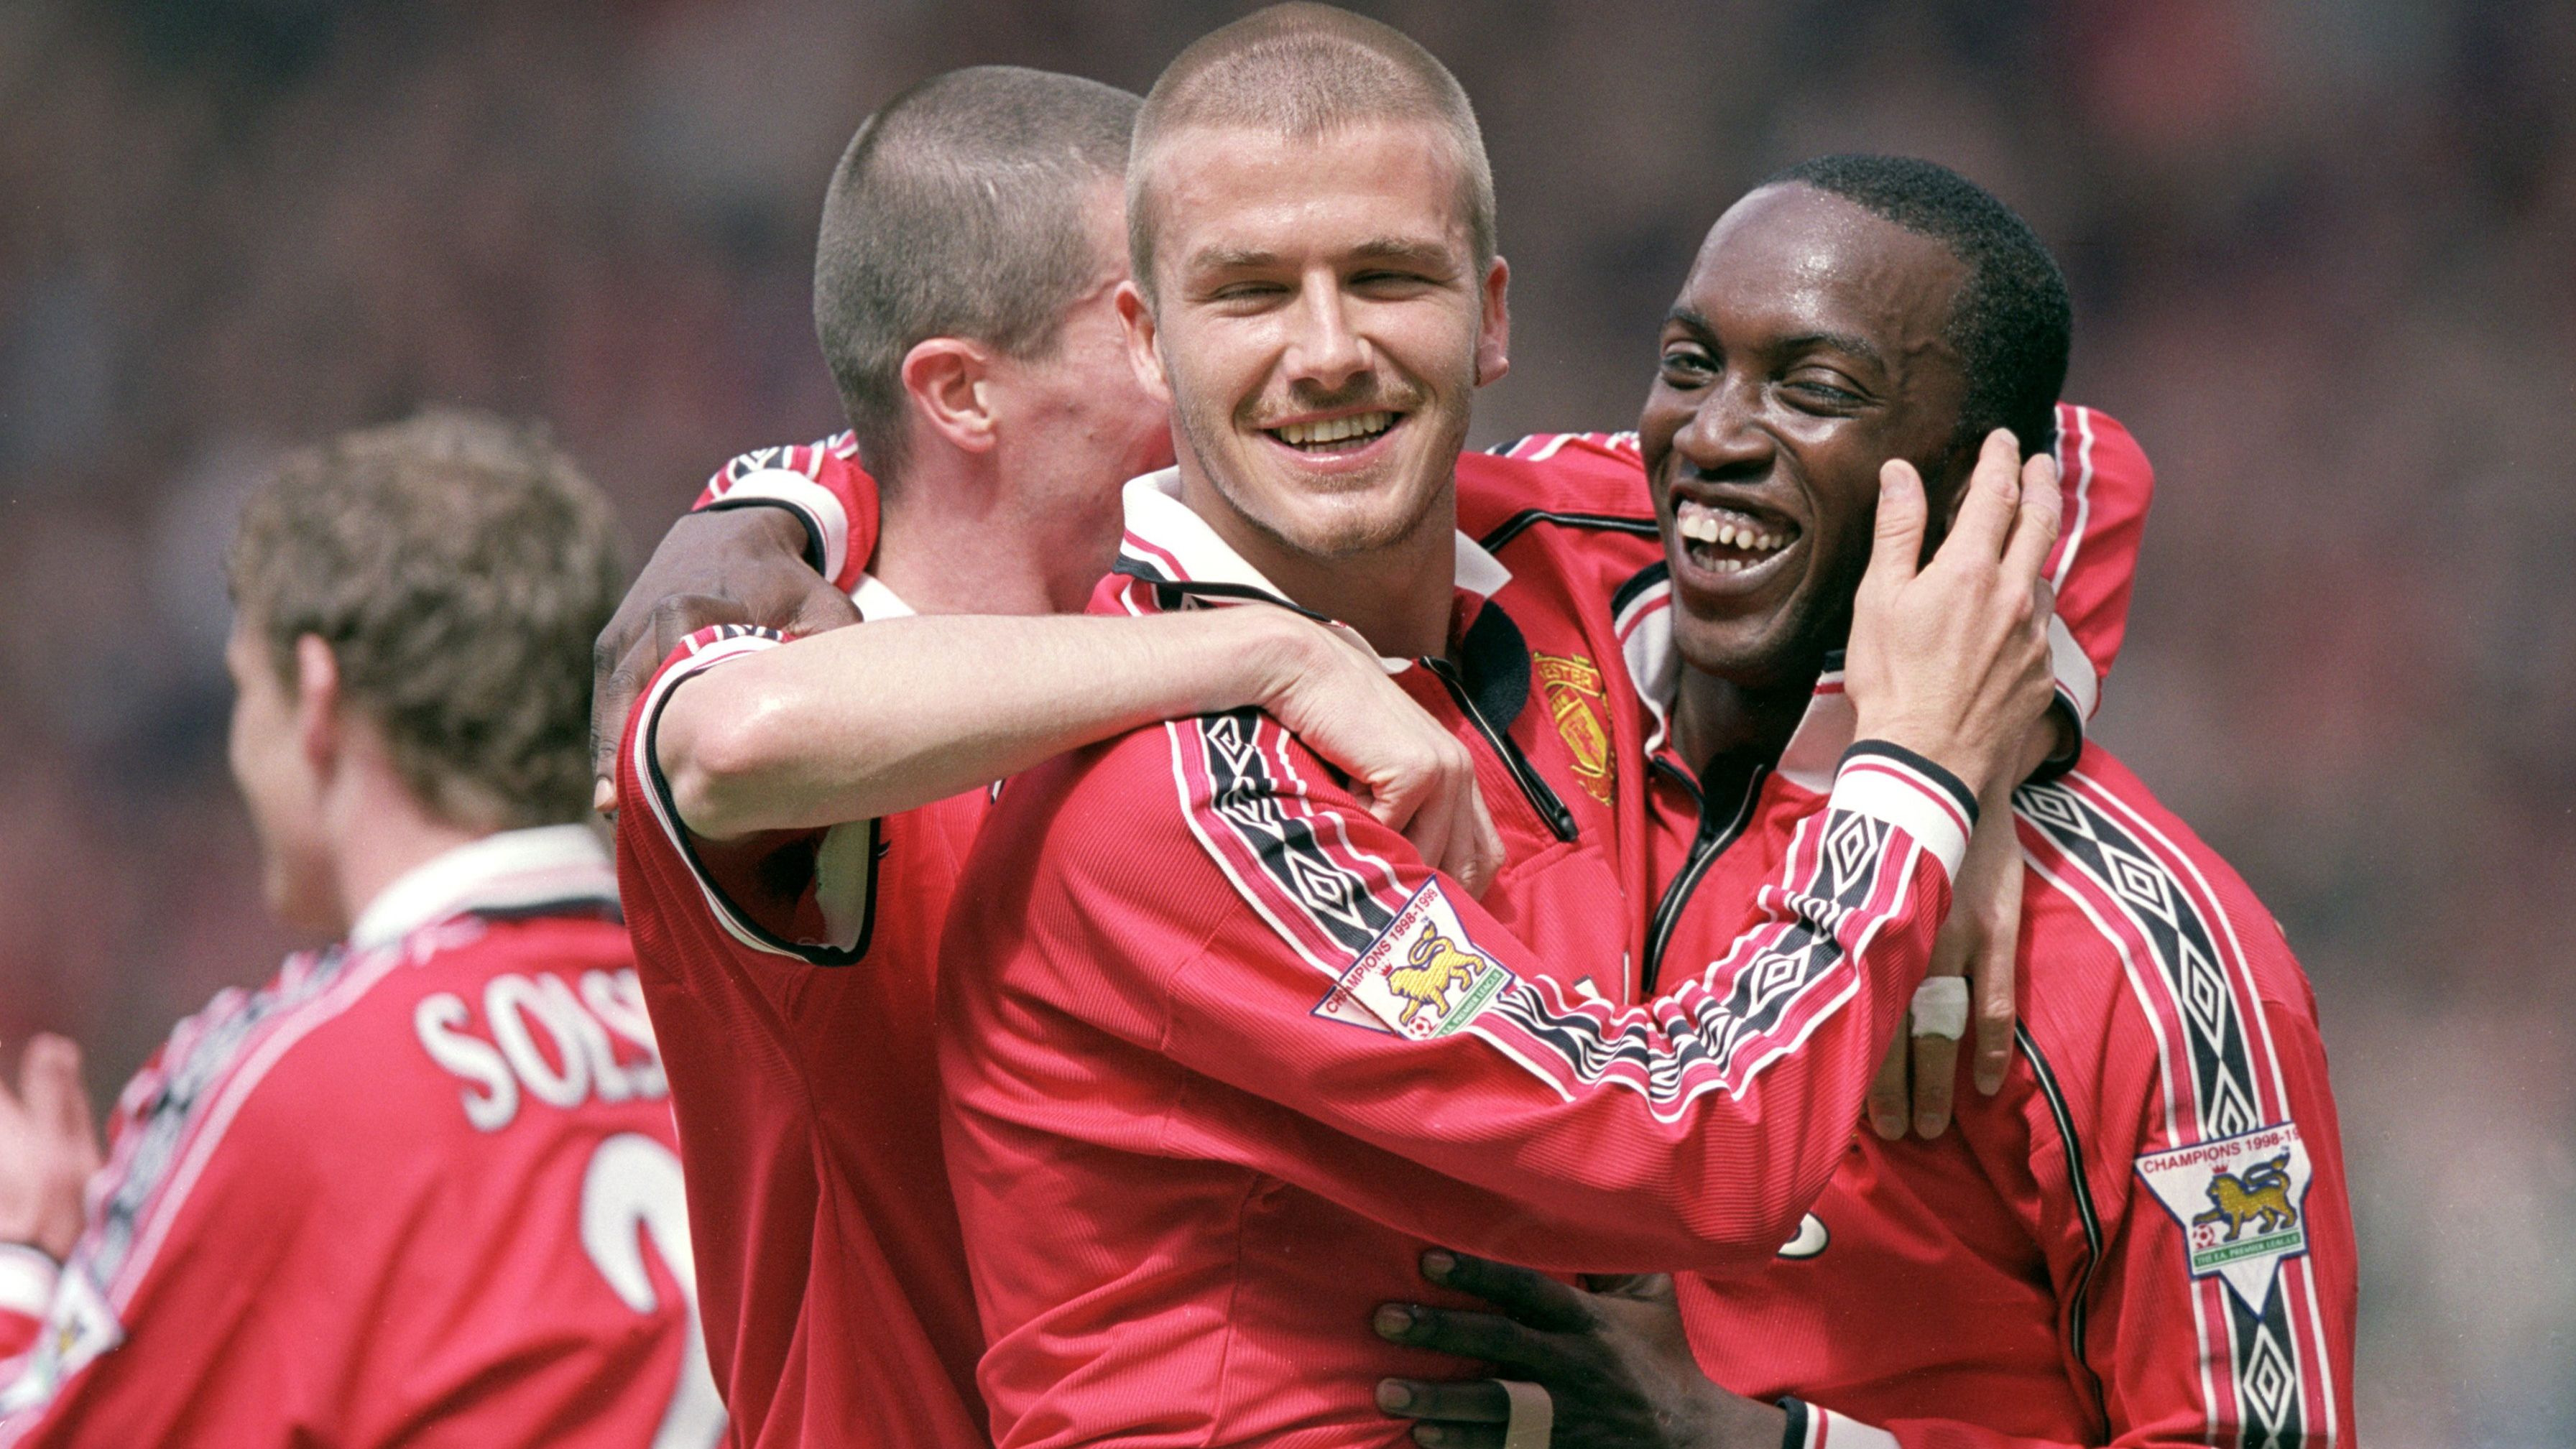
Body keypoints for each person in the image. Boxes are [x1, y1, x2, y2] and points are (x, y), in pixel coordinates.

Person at [928, 11, 2065, 1448]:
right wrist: (1914, 784)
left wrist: (2007, 734)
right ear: (1149, 343)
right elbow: (1688, 1145)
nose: (1326, 353)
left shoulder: (1559, 540)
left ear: (1490, 312)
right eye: (1249, 293)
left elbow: (2026, 449)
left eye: (1387, 278)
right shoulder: (1184, 796)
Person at [1367, 158, 2357, 1449]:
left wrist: (1766, 1443)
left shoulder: (2149, 962)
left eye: (1815, 389)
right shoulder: (1527, 598)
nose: (1713, 434)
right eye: (1686, 364)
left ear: (1980, 491)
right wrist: (1266, 656)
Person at [604, 65, 1503, 1449]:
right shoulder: (814, 709)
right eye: (1164, 309)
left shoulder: (1212, 641)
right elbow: (729, 746)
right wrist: (1270, 656)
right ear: (962, 392)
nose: (1239, 354)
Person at [0, 412, 722, 1447]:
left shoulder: (293, 1075)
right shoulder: (741, 1019)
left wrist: (25, 1266)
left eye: (243, 690)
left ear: (316, 696)